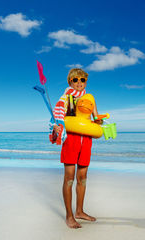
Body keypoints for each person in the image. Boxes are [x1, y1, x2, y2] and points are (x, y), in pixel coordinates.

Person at [52, 68, 102, 229]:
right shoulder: (66, 98)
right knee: (69, 178)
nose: (79, 83)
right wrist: (56, 128)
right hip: (71, 140)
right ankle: (69, 216)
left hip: (86, 141)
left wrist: (98, 124)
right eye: (75, 80)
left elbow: (96, 119)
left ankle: (80, 211)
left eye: (82, 80)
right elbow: (58, 119)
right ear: (70, 82)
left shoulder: (90, 99)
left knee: (83, 177)